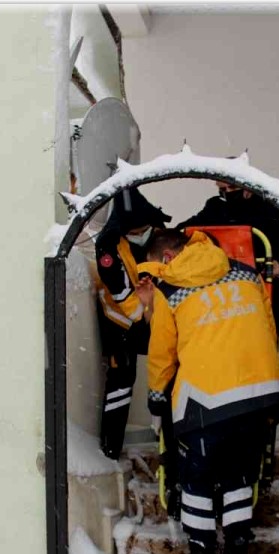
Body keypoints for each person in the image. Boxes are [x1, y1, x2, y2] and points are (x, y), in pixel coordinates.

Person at [136, 229, 279, 554]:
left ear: (166, 259)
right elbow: (268, 327)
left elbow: (162, 355)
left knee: (197, 481)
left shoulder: (170, 290)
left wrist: (157, 400)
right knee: (240, 478)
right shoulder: (245, 272)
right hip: (259, 394)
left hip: (206, 400)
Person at [93, 186, 172, 460]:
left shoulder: (160, 236)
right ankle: (110, 449)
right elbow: (122, 296)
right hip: (121, 321)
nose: (140, 235)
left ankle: (171, 441)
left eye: (144, 230)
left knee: (172, 369)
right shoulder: (107, 246)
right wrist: (147, 316)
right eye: (134, 232)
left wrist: (161, 314)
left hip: (156, 313)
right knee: (121, 380)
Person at [178, 179, 279, 338]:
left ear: (248, 187)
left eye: (231, 187)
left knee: (264, 353)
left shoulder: (272, 209)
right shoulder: (215, 207)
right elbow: (184, 231)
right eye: (222, 188)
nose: (227, 193)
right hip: (226, 299)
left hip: (267, 293)